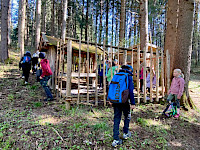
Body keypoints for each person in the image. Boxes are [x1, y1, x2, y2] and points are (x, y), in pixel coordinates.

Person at [110, 65, 135, 147]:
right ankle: (125, 133)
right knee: (127, 115)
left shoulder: (116, 75)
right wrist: (133, 103)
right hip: (124, 100)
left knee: (117, 117)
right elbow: (131, 91)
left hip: (115, 100)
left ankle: (116, 139)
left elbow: (111, 87)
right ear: (129, 70)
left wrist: (110, 98)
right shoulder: (128, 76)